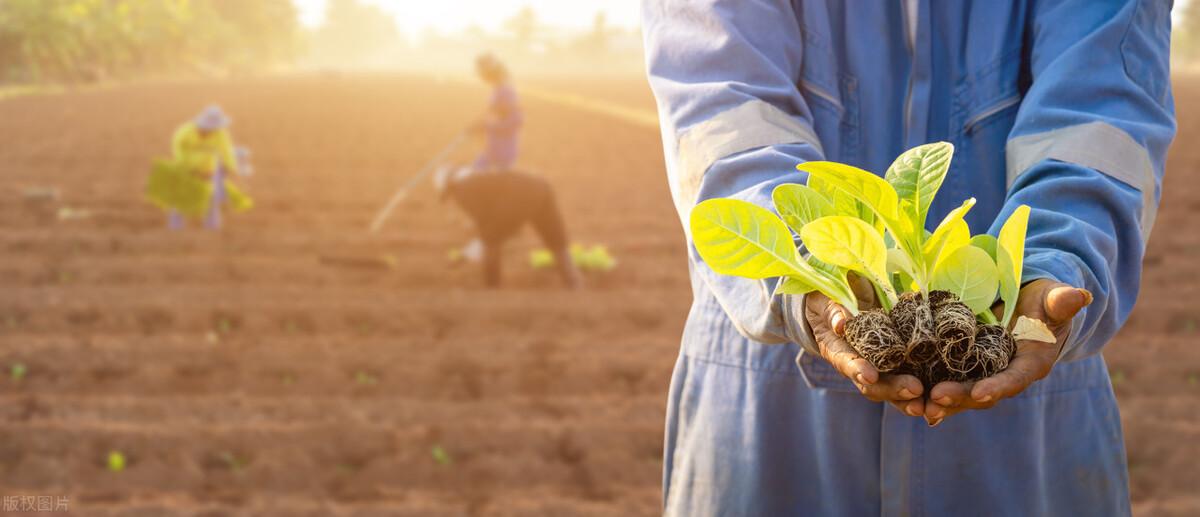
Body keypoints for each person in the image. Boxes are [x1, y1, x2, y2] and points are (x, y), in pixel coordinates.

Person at [643, 1, 1173, 515]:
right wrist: (812, 268)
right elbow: (722, 107)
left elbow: (1102, 109)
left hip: (1025, 399)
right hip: (769, 401)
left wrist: (1054, 261)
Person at [434, 164, 581, 289]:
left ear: (450, 185)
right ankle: (576, 287)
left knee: (490, 240)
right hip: (541, 186)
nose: (452, 198)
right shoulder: (477, 177)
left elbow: (486, 225)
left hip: (517, 194)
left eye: (449, 193)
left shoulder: (463, 189)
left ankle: (492, 289)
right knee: (557, 243)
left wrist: (465, 255)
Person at [161, 104, 252, 230]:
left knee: (211, 199)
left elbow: (226, 152)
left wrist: (231, 167)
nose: (212, 130)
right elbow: (177, 149)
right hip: (185, 169)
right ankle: (175, 228)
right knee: (180, 200)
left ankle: (212, 228)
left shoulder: (220, 134)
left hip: (208, 170)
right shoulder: (184, 132)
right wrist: (187, 166)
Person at [470, 53, 523, 173]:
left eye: (482, 73)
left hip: (503, 152)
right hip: (491, 150)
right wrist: (480, 125)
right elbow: (495, 116)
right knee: (476, 175)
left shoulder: (506, 91)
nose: (481, 77)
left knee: (489, 183)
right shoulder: (497, 90)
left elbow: (516, 121)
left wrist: (486, 126)